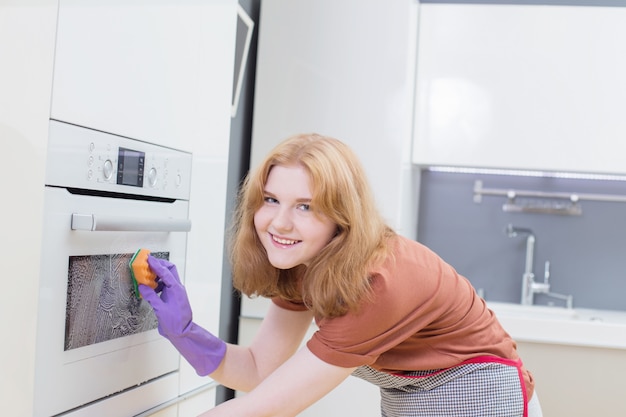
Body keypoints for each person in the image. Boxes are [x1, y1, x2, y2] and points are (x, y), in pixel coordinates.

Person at [139, 133, 543, 417]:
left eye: (305, 207)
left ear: (342, 218)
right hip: (408, 398)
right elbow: (260, 371)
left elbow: (269, 406)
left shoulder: (377, 282)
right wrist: (185, 332)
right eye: (272, 200)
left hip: (479, 398)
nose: (279, 223)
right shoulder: (303, 262)